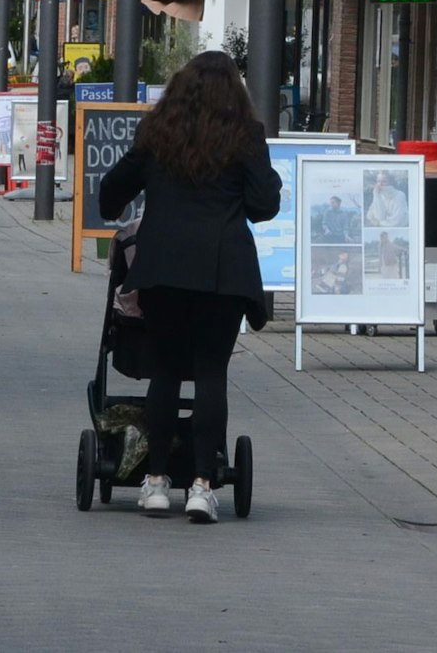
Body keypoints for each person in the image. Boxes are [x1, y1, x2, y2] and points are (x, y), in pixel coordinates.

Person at [98, 51, 279, 524]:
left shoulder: (158, 134)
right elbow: (264, 206)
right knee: (211, 374)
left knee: (167, 371)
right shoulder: (246, 136)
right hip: (224, 272)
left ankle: (156, 482)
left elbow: (112, 192)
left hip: (163, 270)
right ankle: (201, 486)